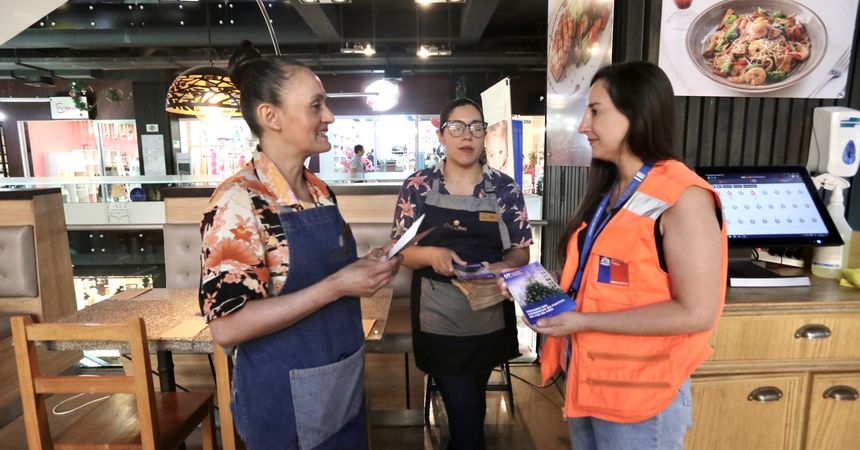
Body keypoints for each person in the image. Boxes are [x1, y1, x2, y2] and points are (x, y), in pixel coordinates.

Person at [511, 61, 727, 450]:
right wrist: (534, 292)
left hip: (642, 398)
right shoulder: (610, 191)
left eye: (595, 111)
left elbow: (697, 312)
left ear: (636, 113)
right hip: (590, 383)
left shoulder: (684, 198)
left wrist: (581, 320)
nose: (582, 126)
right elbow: (603, 283)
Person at [198, 40, 400, 450]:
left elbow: (323, 275)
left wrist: (366, 266)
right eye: (316, 106)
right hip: (282, 400)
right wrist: (339, 285)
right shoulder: (241, 201)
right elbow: (227, 326)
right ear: (270, 116)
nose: (330, 116)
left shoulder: (319, 191)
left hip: (340, 383)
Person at [390, 97, 533, 450]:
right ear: (441, 135)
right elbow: (399, 253)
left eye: (476, 127)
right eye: (456, 127)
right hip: (437, 315)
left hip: (487, 313)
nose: (466, 135)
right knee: (463, 407)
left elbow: (521, 250)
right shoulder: (419, 186)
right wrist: (430, 254)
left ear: (485, 135)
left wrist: (502, 265)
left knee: (472, 400)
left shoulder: (504, 188)